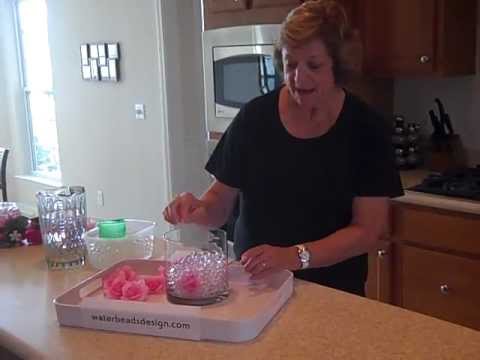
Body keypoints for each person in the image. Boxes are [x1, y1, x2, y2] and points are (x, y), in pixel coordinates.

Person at [163, 0, 403, 296]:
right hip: (257, 285)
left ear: (338, 65)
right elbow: (219, 205)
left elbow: (368, 231)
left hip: (334, 292)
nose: (299, 78)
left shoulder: (366, 128)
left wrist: (294, 256)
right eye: (290, 65)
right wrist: (197, 209)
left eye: (313, 65)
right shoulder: (254, 118)